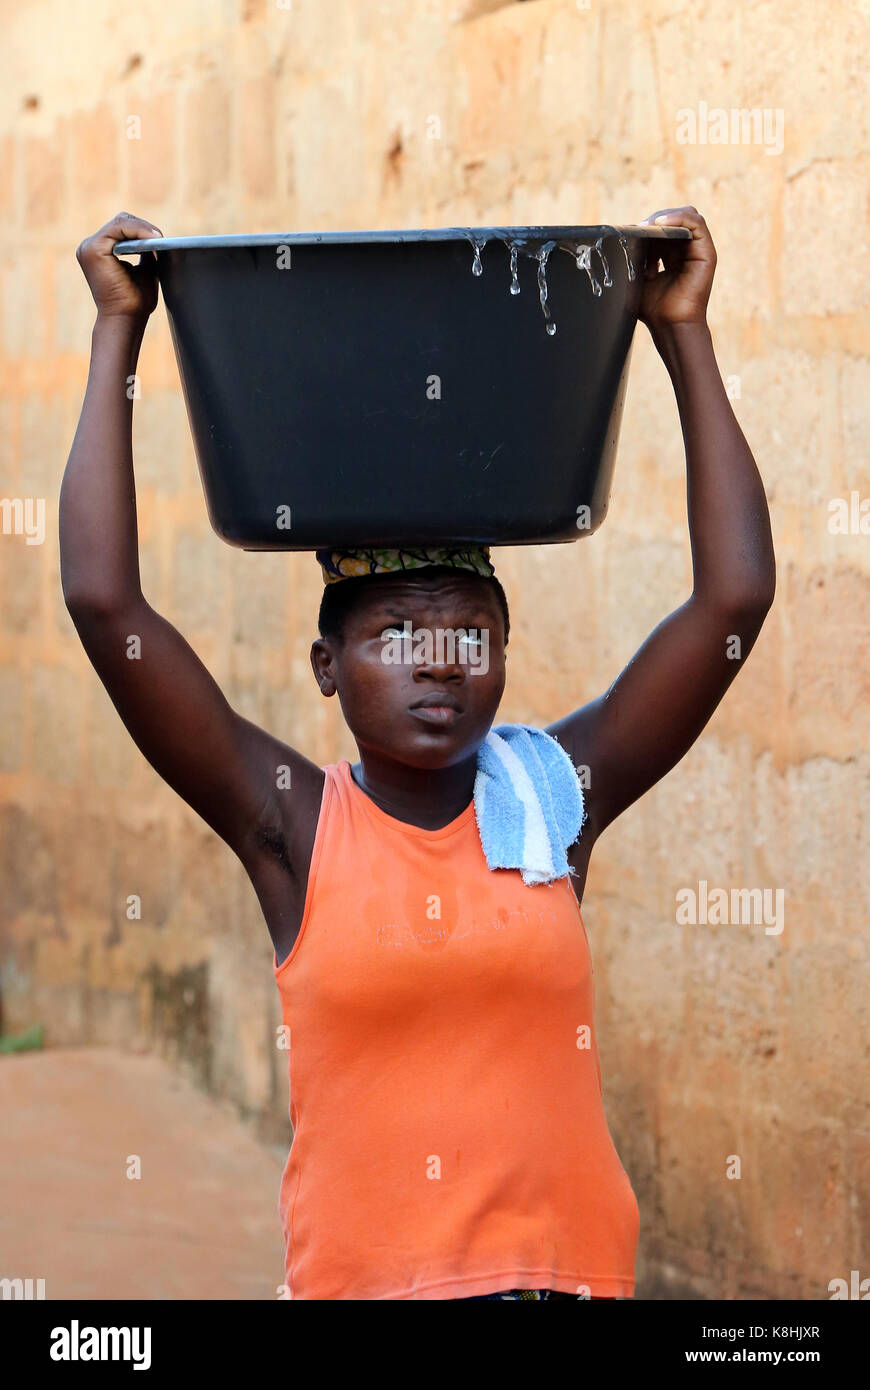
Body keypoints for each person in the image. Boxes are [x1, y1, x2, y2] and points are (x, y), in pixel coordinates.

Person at [60, 208, 775, 1301]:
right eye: (397, 636)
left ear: (500, 649)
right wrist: (121, 328)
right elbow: (106, 602)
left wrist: (681, 330)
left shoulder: (551, 799)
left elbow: (733, 597)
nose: (439, 664)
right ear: (326, 665)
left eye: (466, 634)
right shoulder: (293, 825)